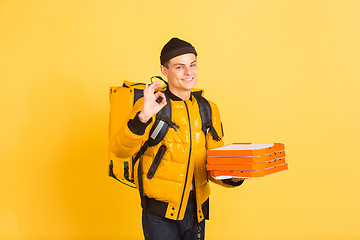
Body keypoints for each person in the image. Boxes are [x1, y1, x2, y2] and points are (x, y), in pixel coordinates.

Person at [111, 37, 245, 240]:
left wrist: (233, 178)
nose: (189, 72)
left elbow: (214, 163)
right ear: (165, 71)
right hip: (160, 214)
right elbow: (121, 151)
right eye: (179, 67)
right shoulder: (150, 105)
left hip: (197, 209)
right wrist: (143, 117)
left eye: (192, 65)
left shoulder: (208, 109)